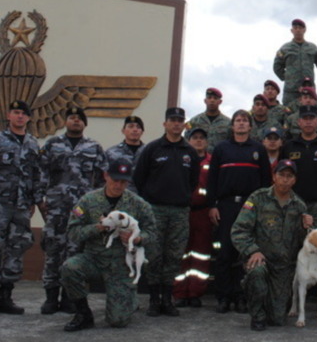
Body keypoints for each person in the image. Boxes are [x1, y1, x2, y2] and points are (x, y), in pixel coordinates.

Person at [59, 159, 156, 331]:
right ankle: (83, 313)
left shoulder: (138, 204)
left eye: (123, 182)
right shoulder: (87, 201)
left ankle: (129, 298)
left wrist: (137, 239)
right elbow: (73, 232)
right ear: (106, 176)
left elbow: (153, 232)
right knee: (69, 268)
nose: (118, 185)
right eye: (115, 180)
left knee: (118, 321)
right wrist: (97, 228)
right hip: (93, 258)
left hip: (121, 264)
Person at [133, 107, 201, 317]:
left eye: (180, 121)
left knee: (173, 255)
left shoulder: (189, 152)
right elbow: (139, 179)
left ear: (183, 125)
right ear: (165, 124)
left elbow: (193, 182)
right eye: (172, 120)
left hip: (179, 211)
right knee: (154, 254)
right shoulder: (152, 149)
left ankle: (167, 298)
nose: (176, 124)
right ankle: (154, 299)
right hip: (155, 210)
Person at [38, 106, 107, 315]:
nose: (76, 121)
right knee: (53, 251)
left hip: (81, 209)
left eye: (80, 118)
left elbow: (101, 179)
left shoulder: (94, 147)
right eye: (72, 117)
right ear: (65, 121)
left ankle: (69, 297)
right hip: (56, 206)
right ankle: (51, 297)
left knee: (75, 251)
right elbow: (42, 172)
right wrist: (40, 199)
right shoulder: (52, 144)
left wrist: (97, 207)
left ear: (85, 123)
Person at [230, 159, 312, 331]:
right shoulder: (258, 198)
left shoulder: (299, 205)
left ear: (295, 180)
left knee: (277, 319)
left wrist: (307, 228)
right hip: (261, 259)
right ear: (274, 176)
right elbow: (239, 230)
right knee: (257, 273)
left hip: (283, 266)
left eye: (289, 176)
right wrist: (253, 251)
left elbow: (302, 244)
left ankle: (269, 303)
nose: (285, 179)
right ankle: (257, 314)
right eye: (281, 175)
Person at [0, 100, 41, 316]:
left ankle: (6, 296)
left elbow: (36, 174)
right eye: (16, 112)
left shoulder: (33, 143)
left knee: (17, 248)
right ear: (9, 115)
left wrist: (33, 200)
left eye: (24, 113)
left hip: (21, 206)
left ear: (29, 118)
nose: (20, 116)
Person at [207, 110, 271, 314]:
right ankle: (224, 297)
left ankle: (242, 296)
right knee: (225, 253)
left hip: (250, 207)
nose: (241, 124)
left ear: (250, 126)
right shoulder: (221, 149)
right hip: (226, 206)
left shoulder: (258, 149)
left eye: (245, 121)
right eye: (238, 121)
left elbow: (266, 181)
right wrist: (212, 205)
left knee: (246, 253)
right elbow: (212, 180)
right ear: (232, 126)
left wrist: (262, 208)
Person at [173, 127, 213, 308]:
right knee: (181, 251)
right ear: (188, 141)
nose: (198, 141)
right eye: (194, 137)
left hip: (203, 213)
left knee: (201, 254)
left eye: (201, 138)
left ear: (206, 142)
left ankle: (196, 292)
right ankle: (180, 292)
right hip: (183, 211)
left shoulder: (213, 161)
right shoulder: (182, 159)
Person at [273, 18, 317, 106]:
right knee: (289, 115)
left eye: (300, 28)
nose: (298, 30)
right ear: (292, 30)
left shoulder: (312, 47)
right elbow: (277, 67)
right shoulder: (285, 48)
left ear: (304, 30)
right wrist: (287, 78)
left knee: (310, 115)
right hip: (291, 91)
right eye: (295, 28)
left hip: (309, 89)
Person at [105, 116, 146, 192]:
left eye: (138, 127)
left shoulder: (149, 151)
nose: (135, 130)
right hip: (119, 195)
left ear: (142, 132)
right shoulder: (111, 152)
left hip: (143, 197)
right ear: (123, 131)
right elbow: (105, 176)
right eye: (130, 127)